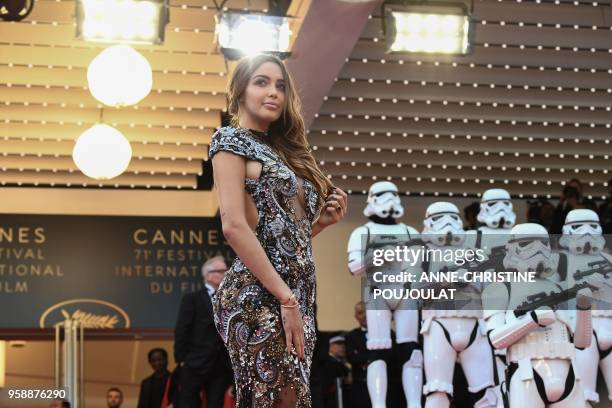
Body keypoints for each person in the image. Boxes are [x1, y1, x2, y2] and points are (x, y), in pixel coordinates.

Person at [209, 53, 348, 408]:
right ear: (240, 91)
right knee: (275, 398)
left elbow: (283, 238)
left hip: (297, 294)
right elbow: (235, 226)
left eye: (281, 86)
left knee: (293, 398)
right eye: (261, 82)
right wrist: (286, 298)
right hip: (258, 295)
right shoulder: (230, 140)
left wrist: (321, 223)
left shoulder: (283, 152)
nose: (273, 92)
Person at [174, 256, 233, 408]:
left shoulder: (230, 299)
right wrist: (181, 359)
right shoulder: (192, 299)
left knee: (215, 404)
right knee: (188, 403)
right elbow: (182, 329)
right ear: (207, 275)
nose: (225, 273)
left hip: (220, 365)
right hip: (195, 362)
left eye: (226, 270)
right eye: (221, 271)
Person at [345, 301, 371, 408]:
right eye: (360, 313)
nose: (364, 315)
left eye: (367, 312)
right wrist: (374, 355)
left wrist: (362, 355)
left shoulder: (387, 333)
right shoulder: (351, 336)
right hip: (360, 385)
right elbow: (352, 358)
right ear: (356, 316)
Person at [321, 335, 352, 408]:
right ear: (330, 346)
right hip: (331, 401)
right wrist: (345, 381)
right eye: (338, 344)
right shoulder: (327, 362)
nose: (342, 347)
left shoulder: (343, 362)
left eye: (344, 345)